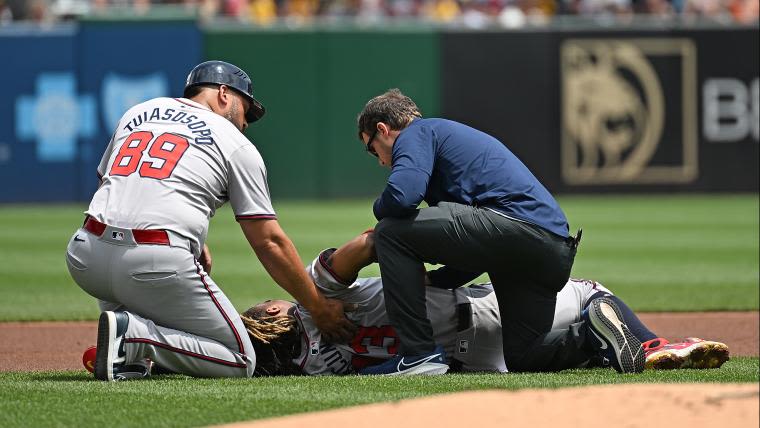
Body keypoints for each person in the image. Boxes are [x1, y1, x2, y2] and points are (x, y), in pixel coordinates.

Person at [65, 60, 354, 381]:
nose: (246, 123)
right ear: (223, 94)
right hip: (152, 264)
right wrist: (316, 306)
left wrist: (191, 239)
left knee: (143, 299)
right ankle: (135, 338)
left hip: (85, 255)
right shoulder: (236, 144)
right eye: (246, 110)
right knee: (241, 359)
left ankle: (129, 349)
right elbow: (268, 241)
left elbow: (112, 182)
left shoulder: (138, 113)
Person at [354, 89, 643, 375]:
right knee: (525, 355)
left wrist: (379, 208)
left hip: (513, 227)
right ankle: (592, 332)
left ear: (384, 129)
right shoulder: (442, 141)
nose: (380, 161)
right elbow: (475, 252)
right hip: (551, 249)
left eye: (372, 149)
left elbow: (403, 197)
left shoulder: (416, 133)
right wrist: (437, 279)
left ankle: (418, 354)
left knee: (390, 231)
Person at [238, 231, 729, 376]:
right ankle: (646, 346)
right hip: (477, 311)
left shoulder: (310, 369)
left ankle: (597, 343)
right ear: (276, 314)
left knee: (569, 350)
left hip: (475, 362)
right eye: (269, 304)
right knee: (590, 292)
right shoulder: (316, 299)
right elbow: (372, 241)